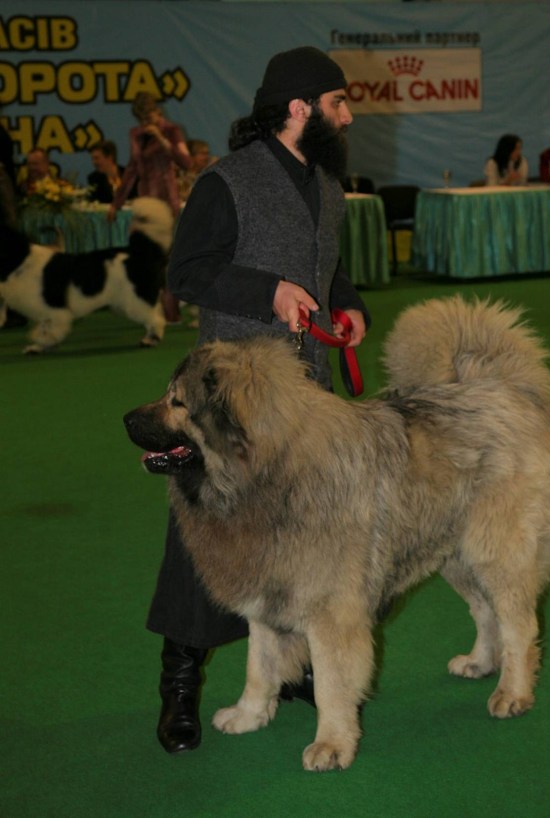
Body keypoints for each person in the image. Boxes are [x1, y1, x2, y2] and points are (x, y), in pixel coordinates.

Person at [147, 45, 370, 755]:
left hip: (308, 403)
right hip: (229, 401)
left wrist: (347, 301)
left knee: (306, 534)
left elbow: (325, 267)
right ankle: (180, 685)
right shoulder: (226, 181)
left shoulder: (329, 184)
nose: (350, 114)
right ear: (300, 108)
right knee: (205, 537)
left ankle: (297, 670)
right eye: (339, 103)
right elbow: (186, 272)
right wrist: (265, 293)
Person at [108, 92, 192, 321]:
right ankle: (149, 309)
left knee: (169, 256)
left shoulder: (171, 131)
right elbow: (132, 169)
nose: (147, 121)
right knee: (147, 257)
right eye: (142, 118)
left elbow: (186, 162)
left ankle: (171, 311)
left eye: (150, 114)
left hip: (166, 201)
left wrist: (162, 140)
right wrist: (116, 203)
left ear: (158, 111)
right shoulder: (136, 134)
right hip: (145, 202)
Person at [177, 138, 218, 203]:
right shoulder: (178, 176)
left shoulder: (208, 176)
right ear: (190, 156)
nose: (207, 157)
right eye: (203, 154)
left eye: (207, 153)